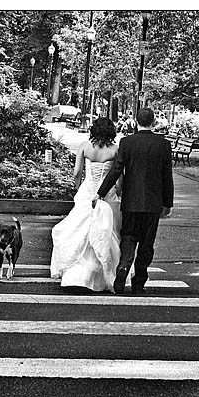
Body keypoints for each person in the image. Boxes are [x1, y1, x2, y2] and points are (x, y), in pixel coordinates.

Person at [93, 107, 174, 295]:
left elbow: (116, 170)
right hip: (153, 202)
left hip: (131, 201)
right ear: (153, 122)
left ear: (136, 121)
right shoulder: (163, 144)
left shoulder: (127, 142)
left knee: (128, 237)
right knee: (147, 243)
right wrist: (167, 203)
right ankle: (139, 281)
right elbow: (166, 176)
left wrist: (101, 192)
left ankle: (122, 269)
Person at [50, 118, 123, 292]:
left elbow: (77, 173)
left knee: (80, 231)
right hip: (107, 194)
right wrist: (118, 192)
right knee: (106, 232)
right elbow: (119, 176)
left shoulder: (84, 146)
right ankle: (99, 276)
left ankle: (76, 275)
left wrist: (79, 189)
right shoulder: (115, 150)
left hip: (87, 192)